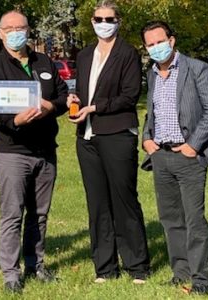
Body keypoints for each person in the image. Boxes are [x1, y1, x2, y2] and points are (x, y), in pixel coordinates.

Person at [0, 10, 68, 294]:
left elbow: (63, 96)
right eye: (11, 28)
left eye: (22, 27)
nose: (17, 32)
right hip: (13, 151)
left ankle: (36, 266)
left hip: (45, 150)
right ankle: (11, 274)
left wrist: (50, 106)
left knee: (39, 214)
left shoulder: (44, 62)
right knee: (12, 215)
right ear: (1, 33)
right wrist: (15, 121)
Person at [66, 0, 150, 284]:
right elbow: (81, 90)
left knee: (123, 199)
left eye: (109, 19)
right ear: (92, 21)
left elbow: (129, 96)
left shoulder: (128, 54)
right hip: (87, 137)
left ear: (118, 22)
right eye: (99, 18)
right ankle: (105, 267)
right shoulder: (85, 55)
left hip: (117, 133)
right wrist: (76, 102)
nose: (104, 23)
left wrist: (95, 107)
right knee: (97, 203)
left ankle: (137, 266)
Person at [141, 21, 208, 295]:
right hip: (161, 157)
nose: (155, 48)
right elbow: (150, 112)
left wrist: (193, 145)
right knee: (170, 219)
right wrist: (146, 137)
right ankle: (181, 272)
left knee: (194, 220)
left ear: (172, 40)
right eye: (150, 44)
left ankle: (201, 278)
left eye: (159, 41)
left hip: (189, 157)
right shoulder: (152, 74)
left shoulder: (197, 68)